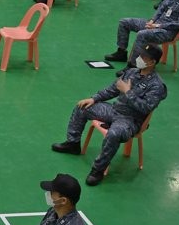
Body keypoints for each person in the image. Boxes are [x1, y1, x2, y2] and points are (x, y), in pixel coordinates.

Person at [51, 46, 167, 186]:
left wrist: (128, 92)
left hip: (130, 120)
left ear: (152, 62)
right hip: (114, 110)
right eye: (140, 55)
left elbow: (146, 108)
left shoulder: (157, 86)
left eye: (144, 57)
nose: (139, 58)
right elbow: (112, 89)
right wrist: (94, 99)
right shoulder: (131, 72)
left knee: (114, 134)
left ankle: (98, 170)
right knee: (82, 107)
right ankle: (73, 143)